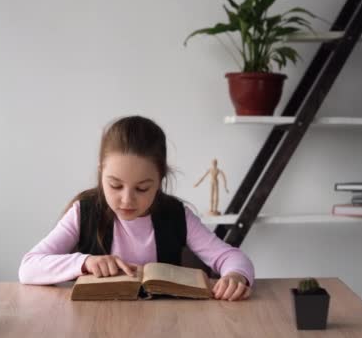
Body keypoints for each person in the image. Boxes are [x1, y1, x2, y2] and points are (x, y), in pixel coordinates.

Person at [18, 116, 254, 301]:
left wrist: (236, 276)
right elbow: (28, 268)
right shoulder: (83, 212)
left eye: (142, 188)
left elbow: (231, 257)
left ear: (160, 178)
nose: (127, 200)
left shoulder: (178, 215)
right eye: (115, 185)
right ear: (101, 171)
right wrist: (85, 262)